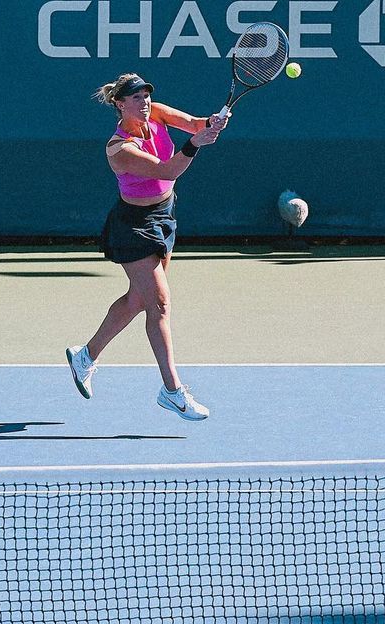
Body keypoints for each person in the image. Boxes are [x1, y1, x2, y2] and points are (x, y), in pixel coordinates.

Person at [66, 73, 227, 421]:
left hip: (164, 215)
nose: (145, 102)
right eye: (136, 98)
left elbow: (194, 123)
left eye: (146, 95)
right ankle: (172, 391)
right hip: (133, 227)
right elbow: (168, 170)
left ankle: (85, 356)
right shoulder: (119, 149)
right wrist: (197, 143)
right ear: (120, 104)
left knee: (139, 300)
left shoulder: (155, 114)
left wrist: (211, 123)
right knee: (160, 305)